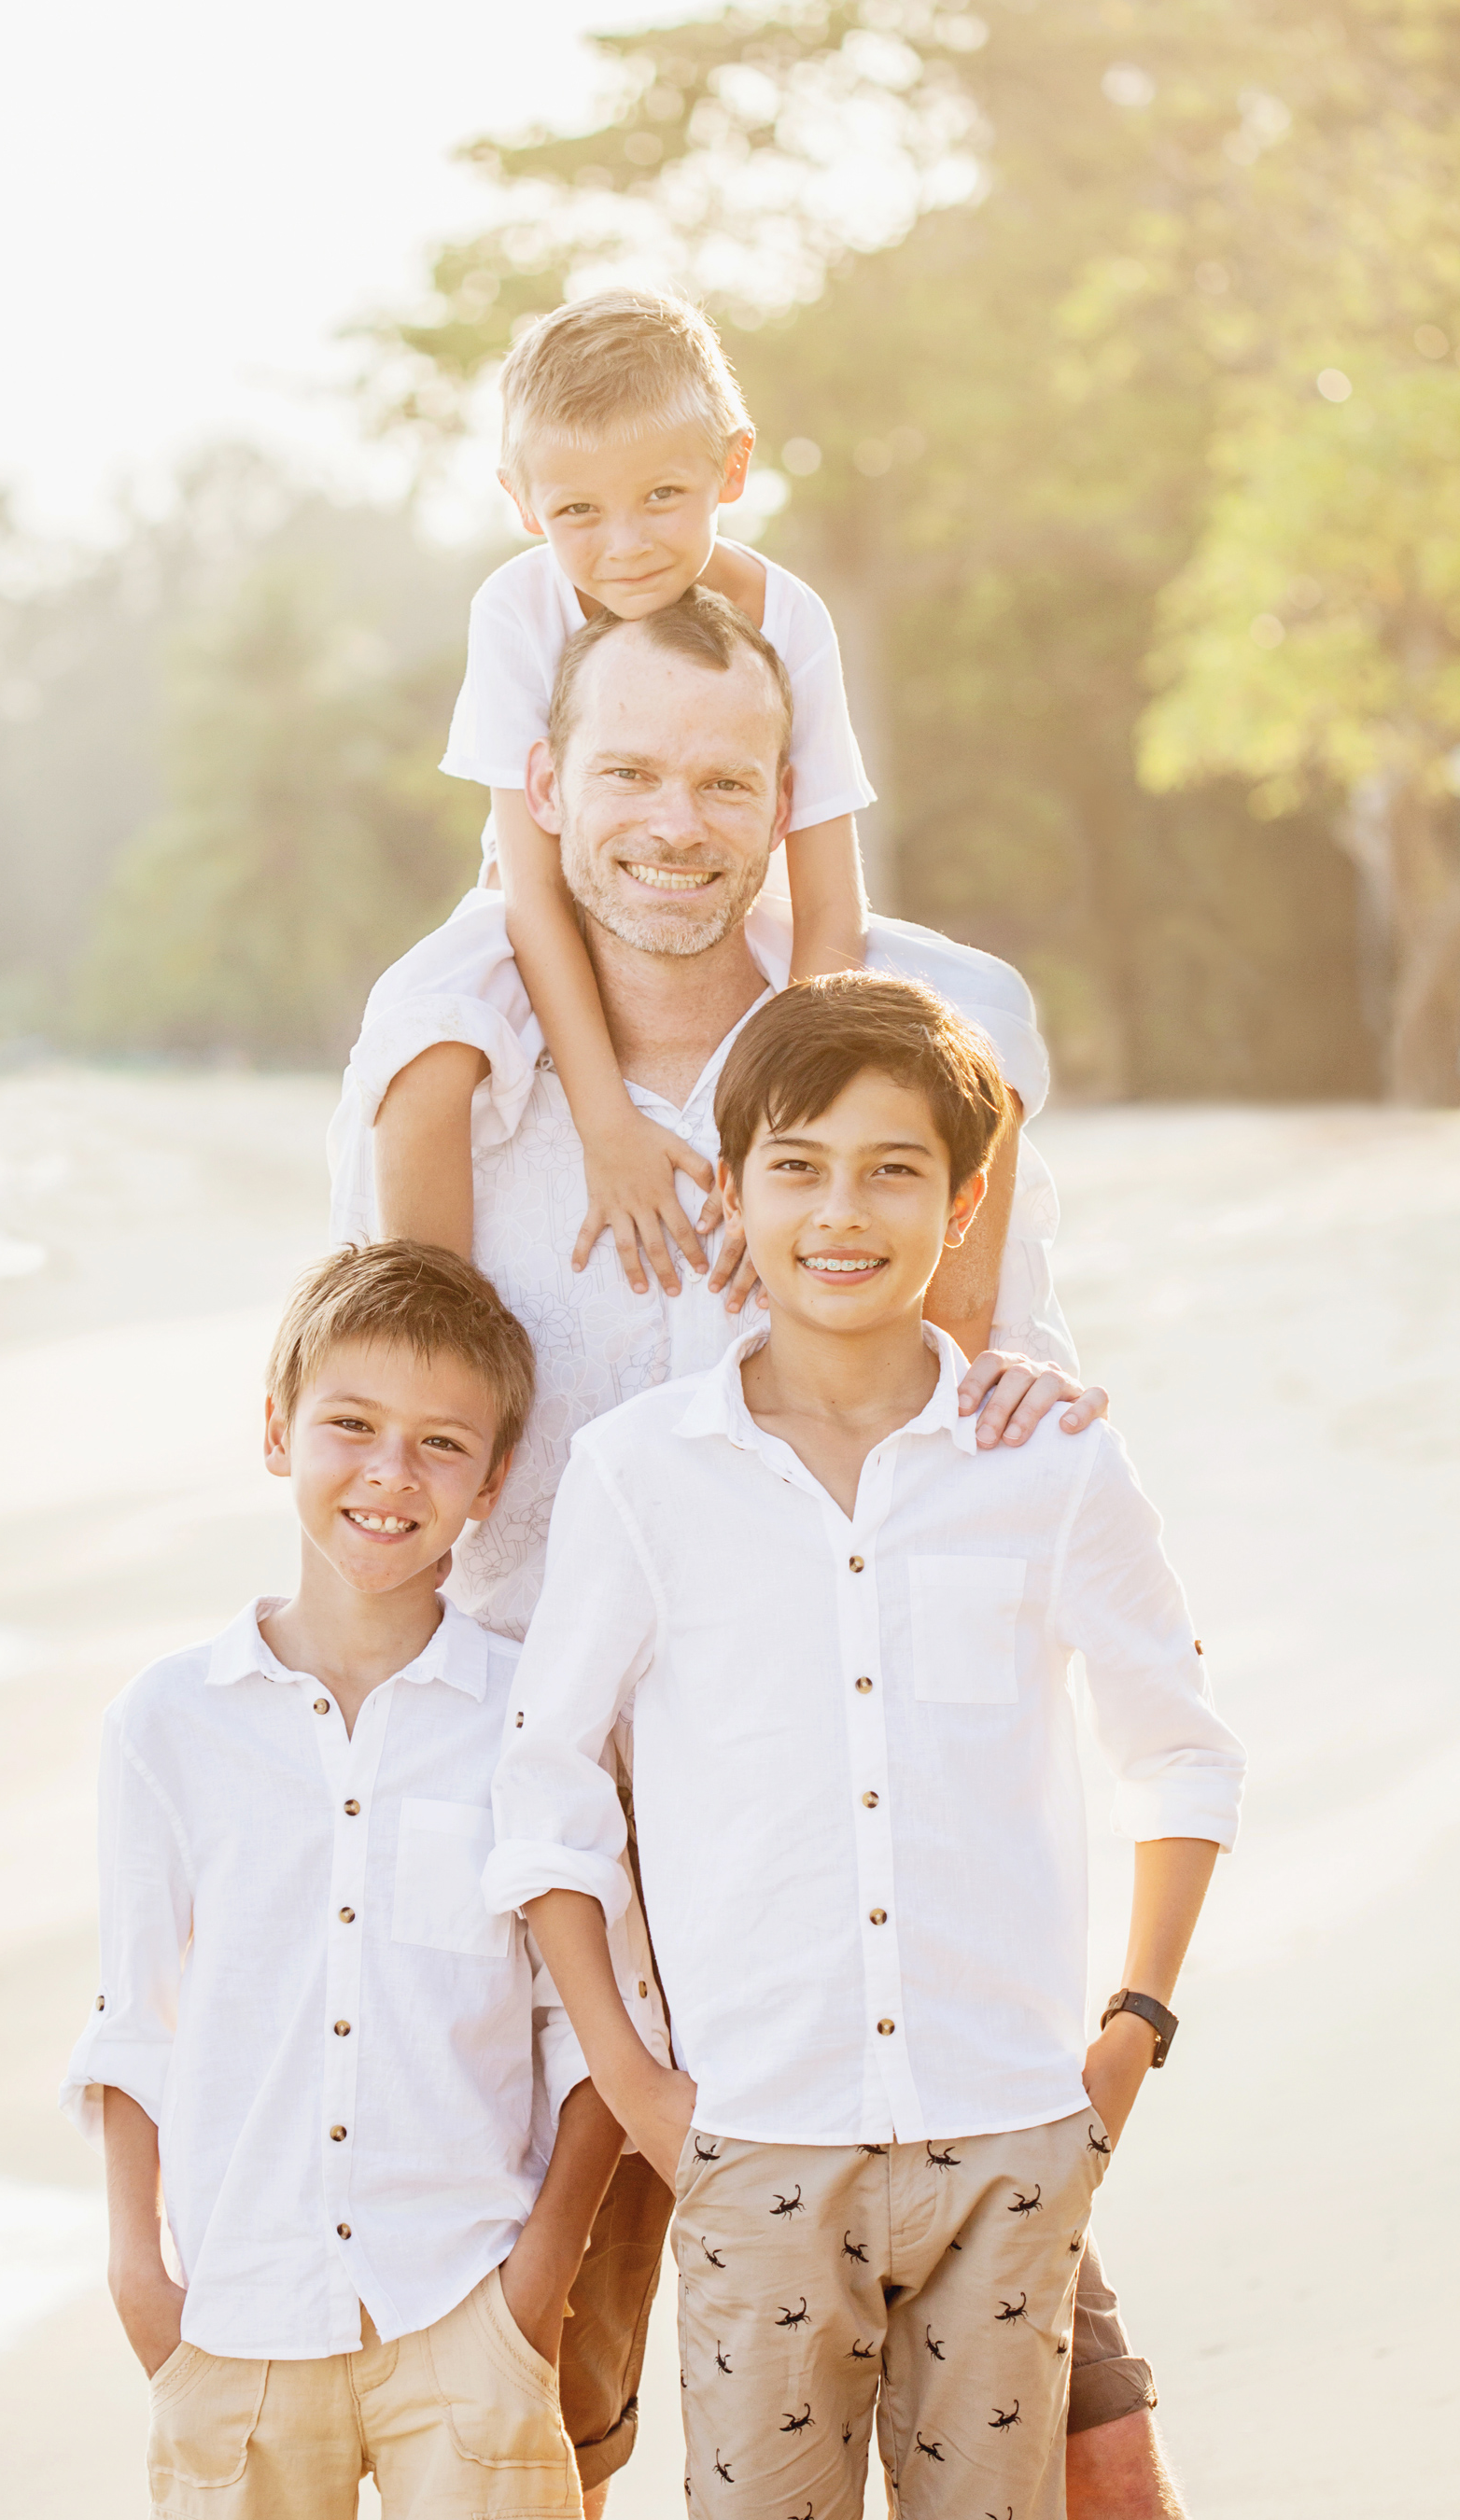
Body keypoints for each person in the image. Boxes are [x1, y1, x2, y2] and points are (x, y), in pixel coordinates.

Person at [328, 589, 1182, 2515]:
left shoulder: (921, 1027)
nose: (673, 821)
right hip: (557, 1864)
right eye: (625, 770)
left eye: (726, 779)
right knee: (556, 2399)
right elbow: (387, 1417)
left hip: (861, 1870)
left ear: (788, 792)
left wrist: (1034, 1391)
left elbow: (992, 1373)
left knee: (1088, 2447)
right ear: (543, 787)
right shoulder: (462, 1041)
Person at [488, 972, 1247, 2520]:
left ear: (963, 1204)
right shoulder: (644, 1477)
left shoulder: (1046, 1461)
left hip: (1012, 2135)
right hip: (754, 2140)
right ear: (735, 1194)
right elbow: (545, 1785)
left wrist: (1126, 2041)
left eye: (894, 1170)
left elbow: (1182, 1750)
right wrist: (636, 2085)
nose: (845, 1212)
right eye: (800, 1166)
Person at [60, 1242, 655, 2519]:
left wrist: (535, 2284)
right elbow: (131, 2019)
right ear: (277, 1433)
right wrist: (138, 2278)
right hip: (236, 2312)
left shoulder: (531, 1721)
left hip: (464, 2300)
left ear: (495, 1480)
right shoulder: (167, 1722)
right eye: (351, 1426)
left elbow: (592, 2025)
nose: (391, 1473)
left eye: (443, 1444)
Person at [385, 286, 876, 1293]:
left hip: (722, 889)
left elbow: (830, 902)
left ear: (730, 467)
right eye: (577, 512)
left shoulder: (790, 617)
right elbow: (529, 889)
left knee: (970, 1011)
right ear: (524, 505)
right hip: (539, 906)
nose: (627, 546)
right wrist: (607, 1126)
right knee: (424, 1035)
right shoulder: (517, 606)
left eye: (662, 495)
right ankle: (421, 1329)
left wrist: (784, 1123)